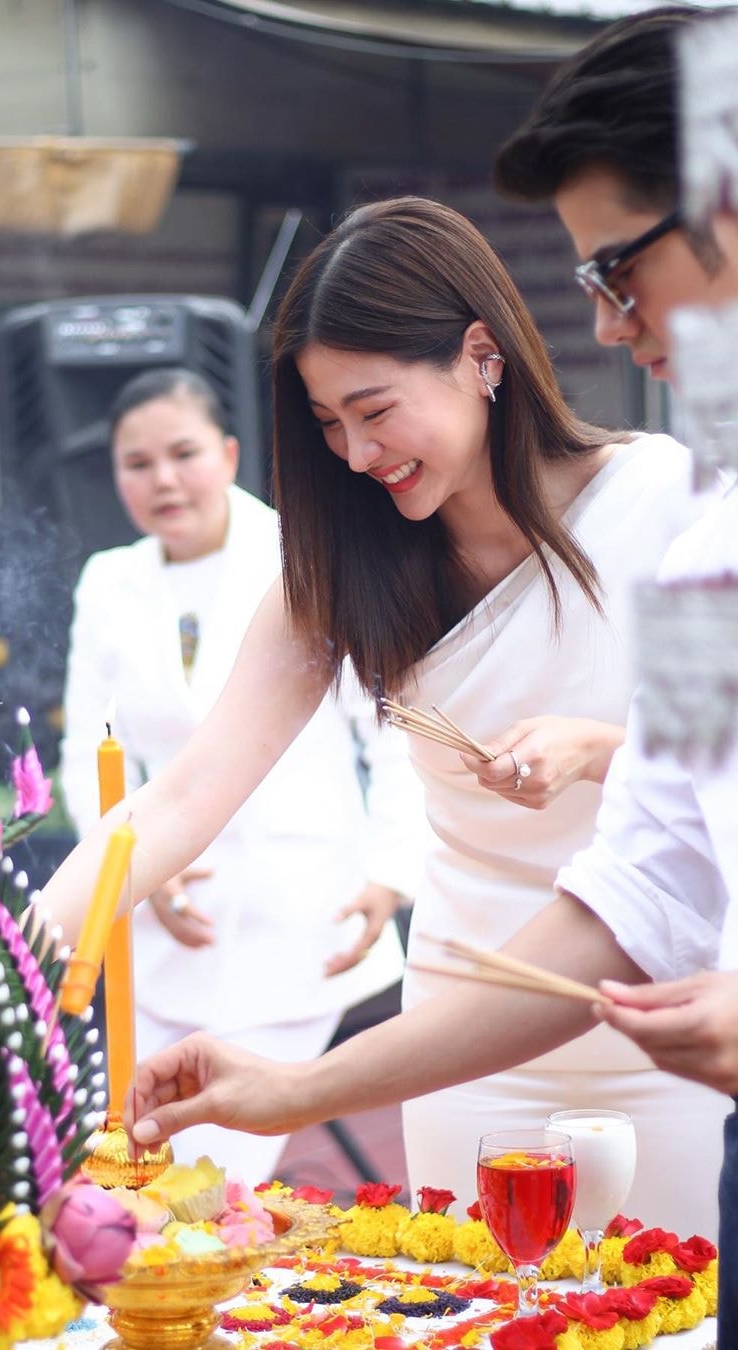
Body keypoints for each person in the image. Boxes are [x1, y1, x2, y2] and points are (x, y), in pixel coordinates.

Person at [107, 3, 738, 1328]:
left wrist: (598, 747)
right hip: (482, 1019)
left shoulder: (678, 511)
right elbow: (648, 878)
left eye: (617, 271)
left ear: (480, 353)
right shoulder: (698, 553)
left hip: (674, 1044)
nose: (610, 323)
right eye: (327, 424)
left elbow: (668, 834)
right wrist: (28, 940)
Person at [59, 367, 425, 1178]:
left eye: (183, 454)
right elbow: (89, 750)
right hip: (165, 927)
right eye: (137, 463)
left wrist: (392, 873)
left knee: (213, 1177)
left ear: (227, 454)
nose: (163, 480)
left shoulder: (302, 551)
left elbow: (393, 724)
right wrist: (134, 873)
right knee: (128, 1166)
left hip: (300, 916)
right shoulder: (108, 582)